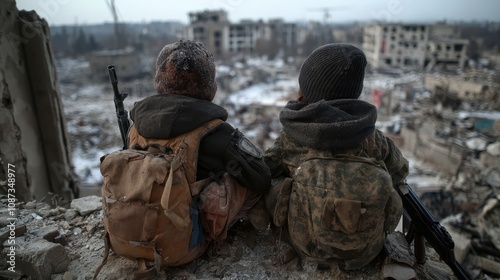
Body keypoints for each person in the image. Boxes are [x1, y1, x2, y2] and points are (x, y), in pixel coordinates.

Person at [263, 43, 409, 270]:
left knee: (276, 186)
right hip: (366, 252)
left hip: (306, 246)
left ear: (307, 90)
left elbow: (265, 170)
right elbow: (400, 172)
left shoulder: (293, 136)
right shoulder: (372, 137)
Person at [128, 39, 271, 247]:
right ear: (208, 86)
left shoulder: (136, 126)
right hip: (182, 241)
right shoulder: (213, 132)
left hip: (133, 232)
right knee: (246, 176)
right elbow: (261, 177)